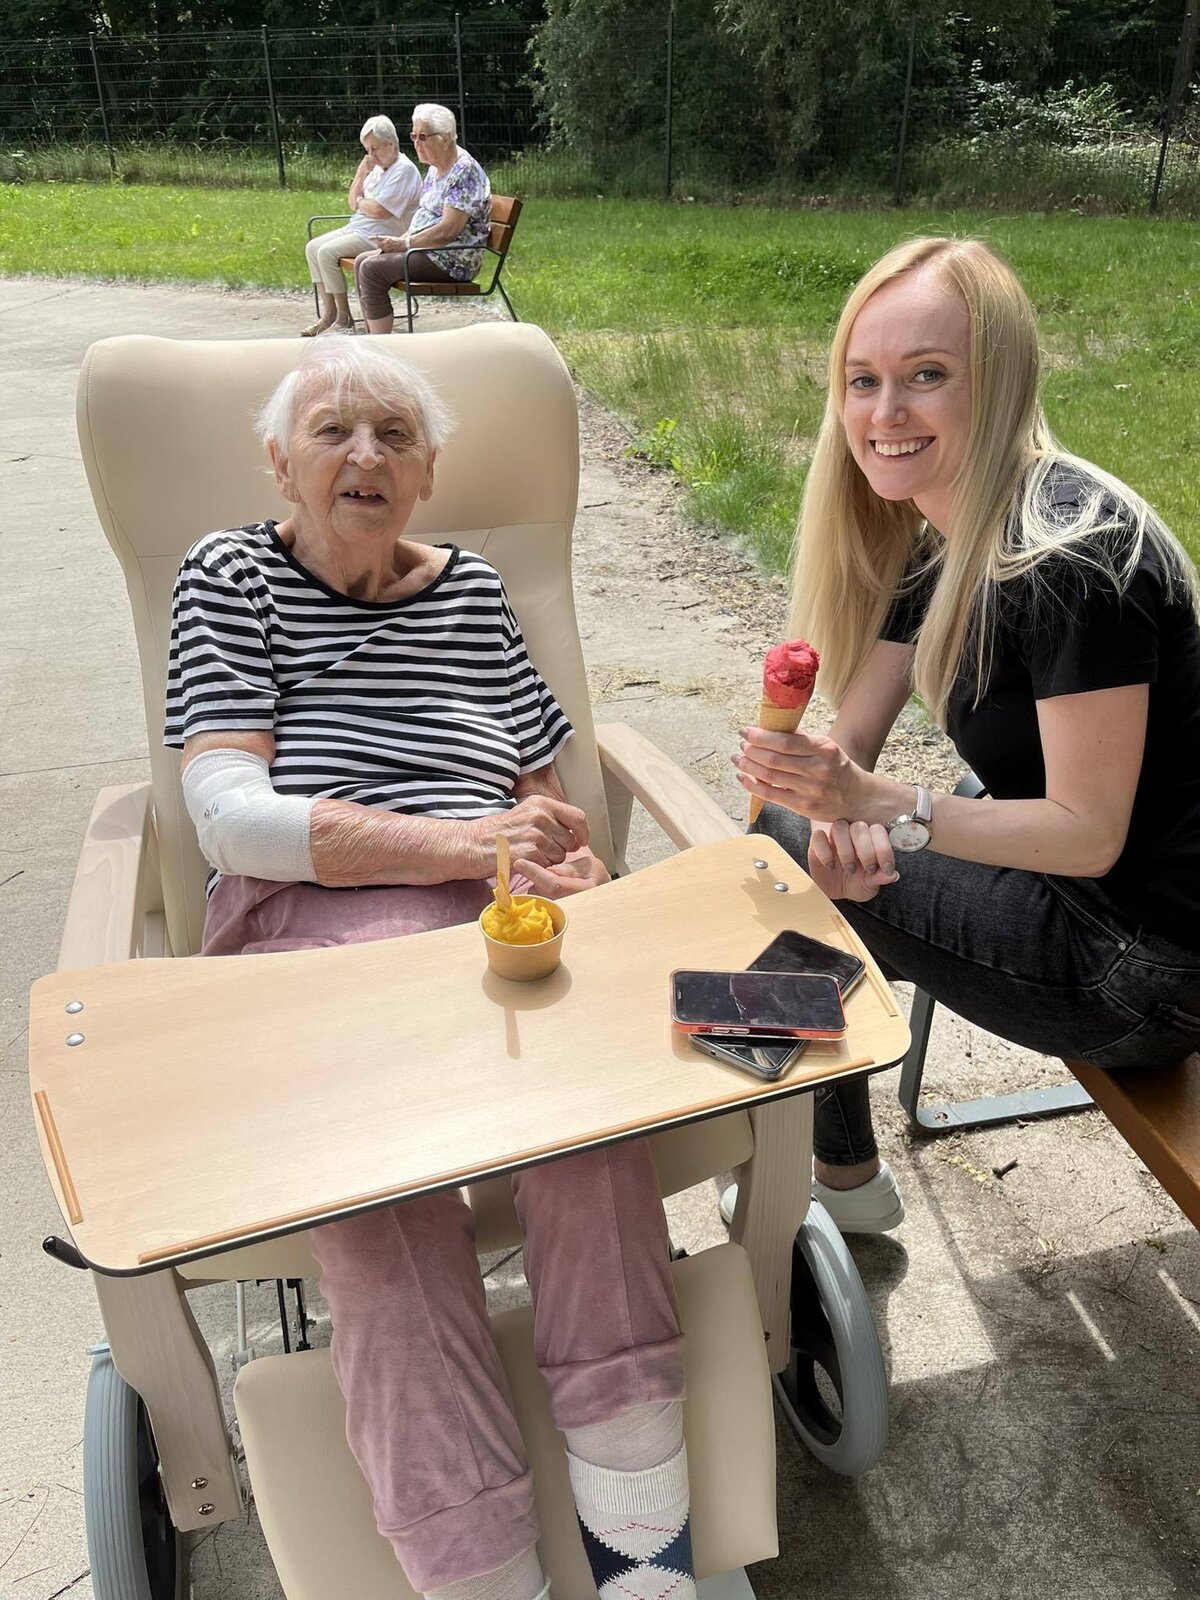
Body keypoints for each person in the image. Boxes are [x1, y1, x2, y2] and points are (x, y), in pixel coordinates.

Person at [164, 337, 698, 1600]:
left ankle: (645, 1549)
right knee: (382, 1202)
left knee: (590, 1138)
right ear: (279, 463)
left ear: (428, 473)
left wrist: (567, 855)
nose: (367, 455)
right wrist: (464, 845)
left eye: (395, 435)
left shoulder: (474, 592)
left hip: (497, 917)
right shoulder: (230, 573)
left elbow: (540, 789)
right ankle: (483, 1575)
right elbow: (229, 817)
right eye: (335, 431)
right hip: (314, 926)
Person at [729, 235, 1200, 1233]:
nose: (884, 413)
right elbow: (855, 736)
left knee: (782, 858)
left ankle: (823, 1170)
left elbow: (1089, 834)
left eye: (928, 375)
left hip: (1145, 964)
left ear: (1002, 379)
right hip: (1089, 900)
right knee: (803, 849)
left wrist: (875, 812)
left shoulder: (1071, 557)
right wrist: (839, 815)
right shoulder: (946, 533)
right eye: (863, 380)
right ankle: (804, 1138)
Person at [355, 102, 492, 335]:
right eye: (414, 136)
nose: (416, 143)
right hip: (430, 250)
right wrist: (398, 242)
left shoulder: (464, 170)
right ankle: (373, 338)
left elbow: (448, 230)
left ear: (446, 138)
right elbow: (425, 216)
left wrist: (404, 243)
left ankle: (380, 344)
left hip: (452, 258)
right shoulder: (435, 168)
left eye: (423, 137)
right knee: (362, 261)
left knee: (372, 270)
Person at [301, 115, 421, 337]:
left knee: (326, 253)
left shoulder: (404, 170)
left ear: (391, 144)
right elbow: (352, 202)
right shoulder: (378, 168)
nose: (370, 155)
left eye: (374, 148)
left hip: (382, 235)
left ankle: (344, 319)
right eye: (367, 149)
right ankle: (329, 315)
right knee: (312, 248)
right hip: (360, 228)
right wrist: (360, 173)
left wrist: (361, 202)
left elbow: (381, 211)